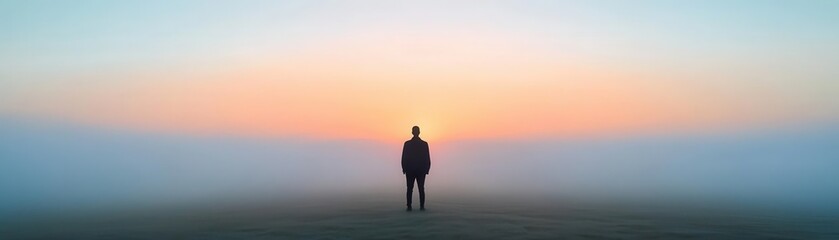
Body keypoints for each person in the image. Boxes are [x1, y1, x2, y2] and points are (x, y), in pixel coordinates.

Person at [402, 126, 430, 211]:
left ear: (412, 132)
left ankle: (409, 206)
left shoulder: (407, 144)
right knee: (420, 188)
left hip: (411, 169)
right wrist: (427, 169)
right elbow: (427, 157)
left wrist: (404, 168)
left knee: (410, 188)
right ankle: (421, 206)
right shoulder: (424, 144)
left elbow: (404, 157)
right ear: (419, 132)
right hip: (420, 170)